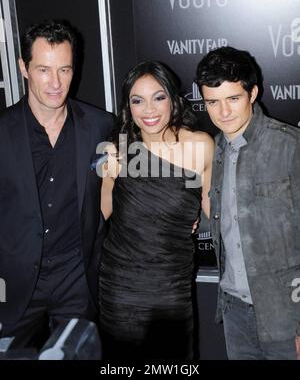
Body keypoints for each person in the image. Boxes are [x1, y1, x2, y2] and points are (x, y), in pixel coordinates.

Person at [0, 19, 113, 347]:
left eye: (64, 70)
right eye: (44, 70)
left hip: (76, 285)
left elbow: (120, 188)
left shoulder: (100, 126)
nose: (55, 83)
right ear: (24, 67)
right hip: (14, 286)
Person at [98, 61, 214, 359]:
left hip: (171, 288)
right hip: (120, 287)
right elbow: (102, 215)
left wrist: (193, 219)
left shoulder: (199, 146)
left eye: (158, 97)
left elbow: (214, 213)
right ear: (128, 106)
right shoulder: (117, 151)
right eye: (138, 100)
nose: (148, 110)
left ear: (173, 99)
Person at [196, 46, 300, 360]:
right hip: (234, 314)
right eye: (213, 101)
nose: (223, 112)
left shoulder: (290, 147)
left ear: (252, 93)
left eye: (233, 98)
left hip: (286, 315)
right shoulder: (212, 151)